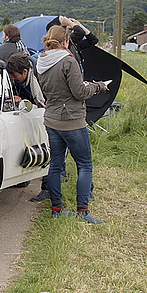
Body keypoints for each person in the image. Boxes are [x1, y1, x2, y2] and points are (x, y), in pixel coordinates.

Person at [36, 25, 108, 224]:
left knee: (56, 164)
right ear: (66, 42)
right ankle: (82, 211)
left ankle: (57, 208)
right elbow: (80, 93)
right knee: (85, 164)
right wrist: (99, 86)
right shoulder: (68, 61)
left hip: (51, 118)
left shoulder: (41, 61)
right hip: (72, 119)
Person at [5, 54, 49, 201]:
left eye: (14, 75)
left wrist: (25, 100)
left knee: (48, 149)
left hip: (47, 114)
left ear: (25, 72)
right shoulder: (14, 80)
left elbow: (42, 101)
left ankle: (48, 188)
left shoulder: (41, 79)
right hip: (31, 111)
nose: (12, 78)